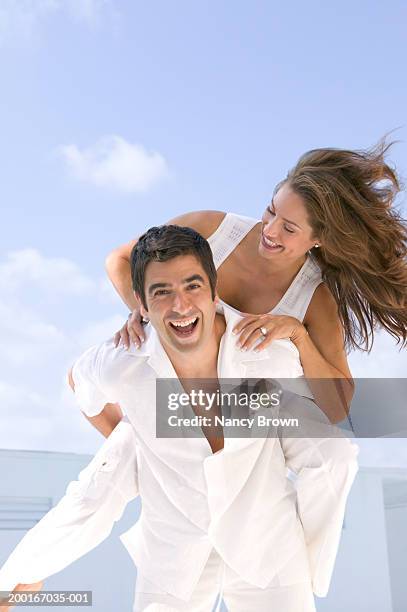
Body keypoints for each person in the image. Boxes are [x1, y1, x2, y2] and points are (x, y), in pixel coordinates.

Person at [0, 226, 359, 612]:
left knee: (334, 454)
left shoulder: (267, 352)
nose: (181, 306)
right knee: (99, 485)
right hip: (175, 556)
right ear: (141, 302)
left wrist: (306, 563)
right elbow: (79, 382)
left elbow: (331, 444)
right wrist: (130, 435)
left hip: (267, 549)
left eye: (192, 287)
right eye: (162, 292)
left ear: (214, 289)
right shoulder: (123, 362)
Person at [106, 141, 407, 417]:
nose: (270, 231)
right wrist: (145, 311)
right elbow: (119, 260)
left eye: (289, 229)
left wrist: (299, 338)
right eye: (271, 211)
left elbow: (338, 407)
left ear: (319, 239)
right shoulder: (211, 230)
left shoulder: (314, 297)